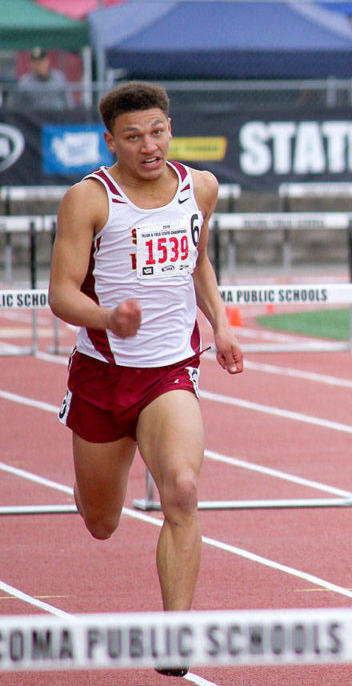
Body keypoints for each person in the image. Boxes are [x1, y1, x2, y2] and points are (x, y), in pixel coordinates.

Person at [48, 81, 243, 677]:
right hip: (104, 377)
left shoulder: (199, 187)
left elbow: (198, 259)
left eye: (158, 131)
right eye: (133, 137)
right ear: (111, 141)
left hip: (170, 374)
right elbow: (59, 294)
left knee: (181, 488)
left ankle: (176, 635)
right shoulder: (89, 200)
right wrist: (108, 317)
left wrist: (222, 324)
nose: (149, 145)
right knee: (101, 523)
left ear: (170, 129)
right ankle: (102, 471)